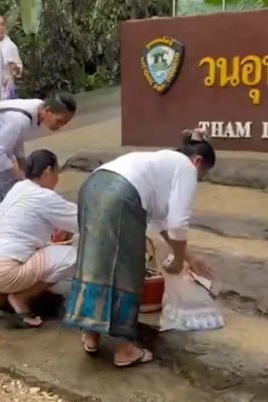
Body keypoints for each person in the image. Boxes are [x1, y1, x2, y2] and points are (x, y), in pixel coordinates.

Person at [62, 128, 216, 368]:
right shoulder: (186, 168)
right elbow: (177, 223)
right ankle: (124, 349)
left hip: (93, 186)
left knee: (95, 261)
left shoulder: (159, 163)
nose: (199, 178)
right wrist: (177, 260)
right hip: (121, 195)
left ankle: (91, 334)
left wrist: (188, 257)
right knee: (127, 268)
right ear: (198, 161)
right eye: (203, 174)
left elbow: (163, 223)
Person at [0, 150, 77, 327]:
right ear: (48, 171)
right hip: (1, 272)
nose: (57, 178)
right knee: (73, 257)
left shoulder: (19, 187)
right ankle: (20, 298)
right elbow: (82, 221)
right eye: (56, 172)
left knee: (25, 248)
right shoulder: (45, 197)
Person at [0, 94, 76, 240]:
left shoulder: (37, 110)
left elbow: (17, 139)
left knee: (10, 180)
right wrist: (18, 175)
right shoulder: (20, 119)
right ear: (48, 110)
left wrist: (23, 167)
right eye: (59, 121)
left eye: (64, 124)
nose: (59, 127)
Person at [0, 15, 22, 100]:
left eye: (2, 25)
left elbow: (18, 71)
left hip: (6, 89)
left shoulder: (11, 46)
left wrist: (15, 67)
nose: (0, 28)